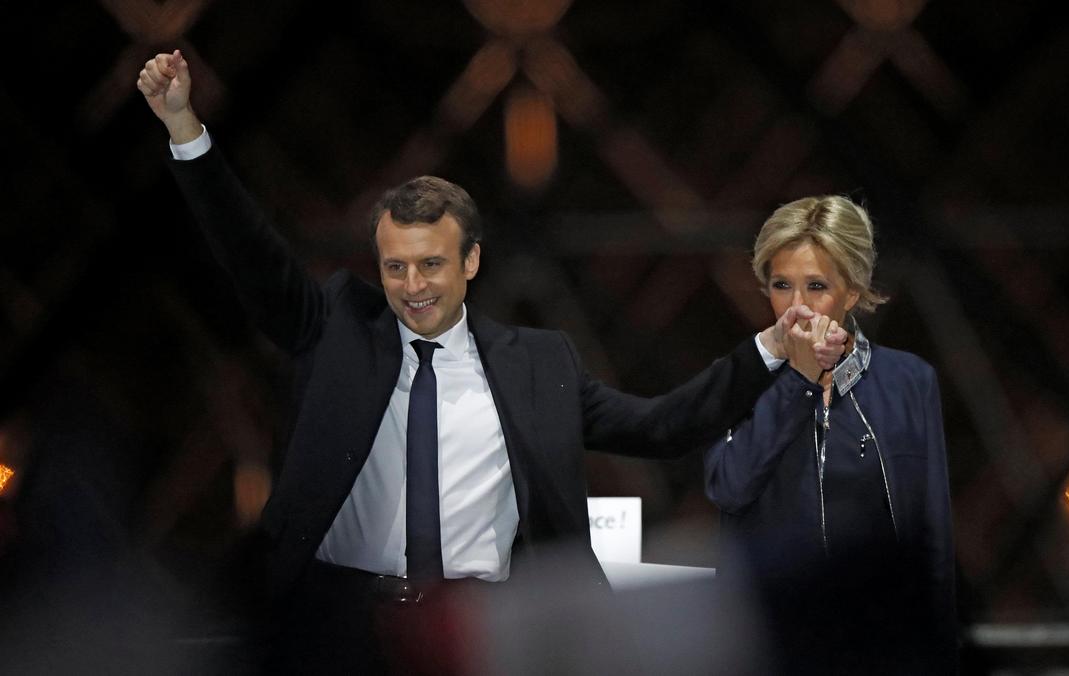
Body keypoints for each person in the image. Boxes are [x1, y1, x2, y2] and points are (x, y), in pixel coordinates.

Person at [136, 51, 846, 674]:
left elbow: (662, 427)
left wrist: (772, 349)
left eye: (432, 265)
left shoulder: (540, 364)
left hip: (488, 638)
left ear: (471, 261)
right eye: (396, 267)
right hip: (348, 635)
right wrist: (184, 130)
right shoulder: (338, 329)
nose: (412, 286)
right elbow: (252, 258)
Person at [704, 196, 957, 674]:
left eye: (816, 286)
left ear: (853, 292)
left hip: (882, 650)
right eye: (782, 285)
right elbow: (728, 487)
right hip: (772, 650)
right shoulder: (738, 379)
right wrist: (798, 380)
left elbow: (933, 538)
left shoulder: (909, 381)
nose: (796, 307)